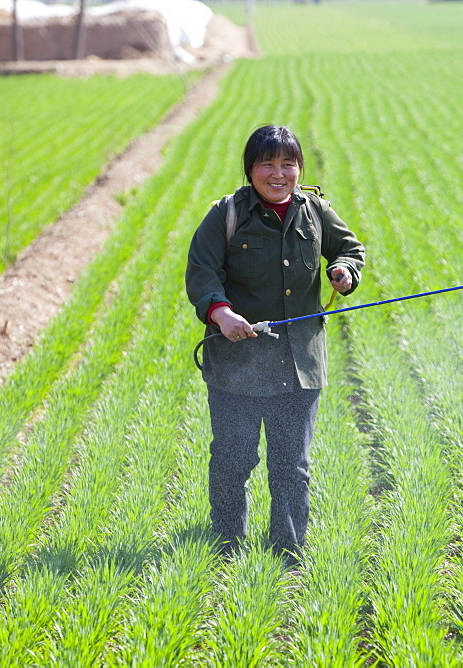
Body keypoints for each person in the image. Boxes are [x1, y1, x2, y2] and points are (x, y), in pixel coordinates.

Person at [185, 124, 365, 565]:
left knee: (291, 466)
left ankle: (287, 554)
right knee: (233, 458)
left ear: (300, 168)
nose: (279, 173)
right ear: (251, 169)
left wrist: (343, 270)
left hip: (297, 364)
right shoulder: (227, 215)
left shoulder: (315, 210)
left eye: (288, 164)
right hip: (237, 363)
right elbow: (201, 271)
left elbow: (350, 248)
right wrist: (221, 313)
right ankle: (225, 546)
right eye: (268, 164)